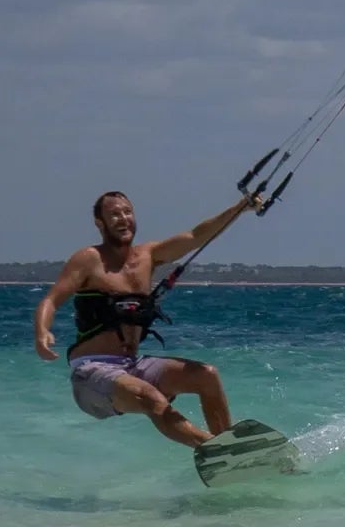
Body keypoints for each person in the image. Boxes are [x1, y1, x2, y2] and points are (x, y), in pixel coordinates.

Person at [35, 190, 263, 448]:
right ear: (100, 223)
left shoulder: (148, 256)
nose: (123, 219)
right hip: (91, 374)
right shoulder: (89, 259)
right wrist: (42, 331)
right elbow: (51, 300)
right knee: (152, 398)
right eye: (114, 214)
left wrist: (241, 207)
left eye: (127, 212)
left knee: (207, 375)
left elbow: (197, 236)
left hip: (131, 366)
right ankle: (218, 449)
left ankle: (228, 451)